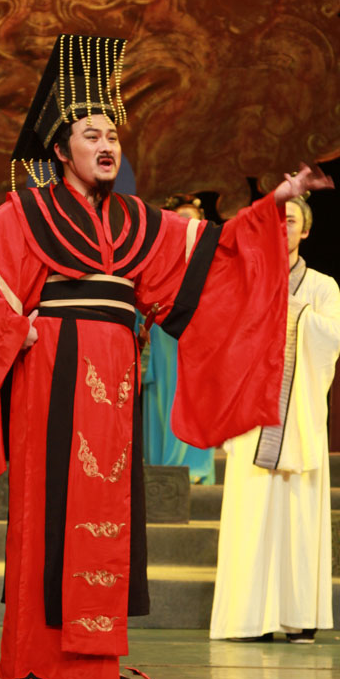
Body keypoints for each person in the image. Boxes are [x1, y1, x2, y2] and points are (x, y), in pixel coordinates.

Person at [0, 33, 334, 679]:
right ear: (62, 151)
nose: (106, 145)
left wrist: (274, 204)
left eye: (112, 134)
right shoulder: (30, 213)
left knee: (109, 516)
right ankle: (31, 660)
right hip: (53, 378)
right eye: (90, 134)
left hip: (116, 388)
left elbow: (217, 257)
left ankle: (95, 662)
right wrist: (17, 328)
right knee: (49, 515)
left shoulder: (137, 221)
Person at [209, 194, 340, 644]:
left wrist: (294, 314)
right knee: (251, 514)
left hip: (299, 416)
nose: (282, 228)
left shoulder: (322, 287)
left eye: (290, 221)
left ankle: (297, 616)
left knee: (298, 515)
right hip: (252, 416)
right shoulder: (245, 280)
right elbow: (224, 341)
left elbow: (333, 337)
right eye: (275, 220)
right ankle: (248, 618)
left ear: (305, 230)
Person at [140, 194, 216, 484]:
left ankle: (195, 468)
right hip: (163, 338)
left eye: (192, 221)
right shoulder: (155, 258)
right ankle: (162, 470)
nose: (186, 226)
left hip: (198, 337)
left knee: (197, 399)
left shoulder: (211, 260)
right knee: (163, 400)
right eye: (180, 220)